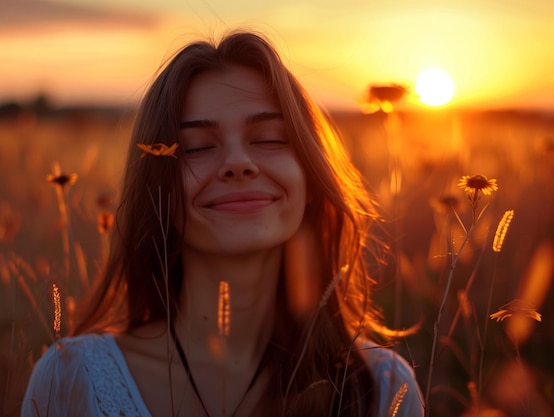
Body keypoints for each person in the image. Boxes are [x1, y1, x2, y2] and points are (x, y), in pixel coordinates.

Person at [21, 30, 423, 417]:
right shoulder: (72, 380)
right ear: (157, 190)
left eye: (269, 138)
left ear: (311, 178)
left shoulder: (380, 389)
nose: (237, 163)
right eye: (197, 147)